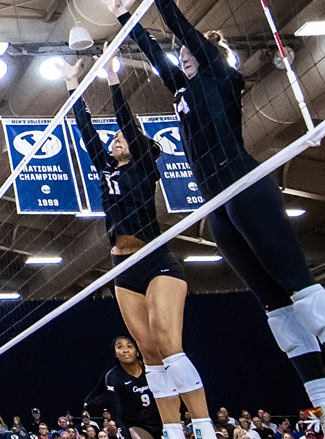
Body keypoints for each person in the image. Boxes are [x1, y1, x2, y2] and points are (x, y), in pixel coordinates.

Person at [114, 0, 325, 438]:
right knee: (273, 305)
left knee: (297, 287)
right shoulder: (184, 90)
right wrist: (123, 12)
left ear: (210, 55)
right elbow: (151, 49)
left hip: (243, 182)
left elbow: (182, 29)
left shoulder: (222, 77)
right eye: (182, 55)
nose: (182, 56)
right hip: (216, 200)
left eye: (189, 52)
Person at [63, 56, 210, 439]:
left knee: (169, 345)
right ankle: (174, 432)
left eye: (123, 137)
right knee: (150, 356)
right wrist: (71, 86)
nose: (116, 138)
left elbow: (126, 121)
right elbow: (85, 130)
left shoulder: (144, 166)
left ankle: (206, 428)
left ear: (140, 147)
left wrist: (112, 79)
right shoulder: (107, 167)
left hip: (155, 260)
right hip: (121, 266)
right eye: (115, 138)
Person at [83, 336, 164, 439]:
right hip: (137, 424)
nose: (125, 350)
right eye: (120, 347)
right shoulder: (113, 377)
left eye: (129, 346)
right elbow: (117, 412)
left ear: (137, 352)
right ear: (115, 354)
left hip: (161, 418)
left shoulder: (151, 368)